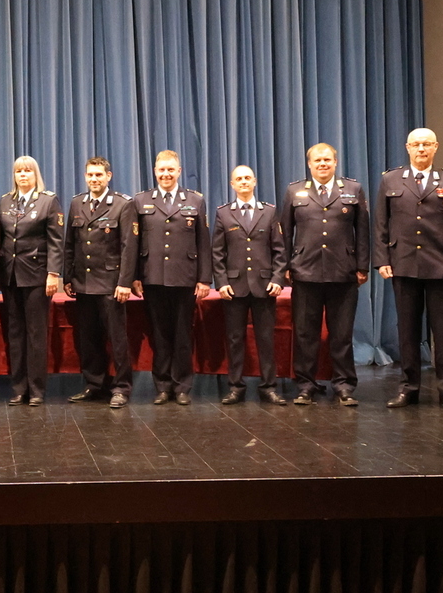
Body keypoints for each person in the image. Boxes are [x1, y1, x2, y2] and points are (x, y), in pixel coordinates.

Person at [374, 129, 443, 411]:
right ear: (407, 147)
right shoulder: (390, 179)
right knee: (407, 331)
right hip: (403, 263)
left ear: (435, 147)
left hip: (442, 264)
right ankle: (408, 388)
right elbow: (381, 223)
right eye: (416, 144)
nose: (421, 149)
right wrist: (382, 259)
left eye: (426, 144)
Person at [279, 143, 369, 406]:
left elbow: (363, 231)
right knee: (305, 334)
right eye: (317, 160)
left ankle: (344, 385)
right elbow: (285, 232)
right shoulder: (294, 191)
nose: (322, 164)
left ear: (335, 162)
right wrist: (285, 266)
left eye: (327, 160)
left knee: (342, 335)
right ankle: (305, 385)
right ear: (309, 164)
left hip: (343, 272)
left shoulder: (353, 189)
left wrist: (362, 266)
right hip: (305, 272)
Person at [131, 150, 211, 405]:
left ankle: (182, 386)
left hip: (185, 277)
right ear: (155, 171)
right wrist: (134, 276)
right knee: (159, 335)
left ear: (178, 171)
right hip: (152, 277)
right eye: (161, 170)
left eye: (170, 170)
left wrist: (204, 279)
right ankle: (163, 386)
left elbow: (203, 242)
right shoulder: (141, 200)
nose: (166, 174)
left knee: (183, 334)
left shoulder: (195, 200)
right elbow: (134, 243)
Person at [63, 157, 138, 408]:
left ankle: (121, 387)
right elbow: (70, 244)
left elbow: (129, 247)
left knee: (117, 339)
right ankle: (94, 384)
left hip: (110, 283)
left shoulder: (122, 204)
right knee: (88, 338)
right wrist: (68, 276)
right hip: (83, 282)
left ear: (108, 176)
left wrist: (125, 282)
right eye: (90, 175)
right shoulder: (77, 203)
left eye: (98, 175)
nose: (94, 179)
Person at [211, 165, 288, 405]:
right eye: (239, 179)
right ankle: (236, 387)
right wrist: (221, 283)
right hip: (234, 288)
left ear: (254, 182)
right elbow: (217, 253)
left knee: (266, 339)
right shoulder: (224, 213)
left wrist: (277, 279)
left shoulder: (269, 212)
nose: (243, 182)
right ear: (232, 184)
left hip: (264, 287)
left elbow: (279, 250)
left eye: (247, 178)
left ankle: (269, 387)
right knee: (235, 340)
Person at [0, 156, 64, 407]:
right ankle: (18, 388)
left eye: (27, 171)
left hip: (37, 276)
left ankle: (36, 389)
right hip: (10, 276)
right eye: (18, 171)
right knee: (15, 334)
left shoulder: (48, 200)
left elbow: (56, 241)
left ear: (36, 175)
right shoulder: (5, 201)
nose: (23, 175)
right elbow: (0, 239)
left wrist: (53, 273)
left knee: (36, 334)